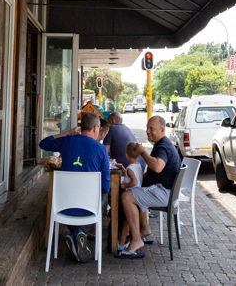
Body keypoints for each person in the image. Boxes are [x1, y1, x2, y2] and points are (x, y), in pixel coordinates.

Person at [38, 111, 111, 263]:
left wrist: (68, 133)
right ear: (96, 128)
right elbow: (105, 187)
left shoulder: (67, 141)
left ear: (80, 127)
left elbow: (43, 143)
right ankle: (80, 232)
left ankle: (74, 233)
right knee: (104, 199)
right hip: (89, 207)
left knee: (77, 204)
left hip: (63, 206)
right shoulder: (101, 149)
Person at [118, 115, 181, 259]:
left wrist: (143, 152)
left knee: (127, 197)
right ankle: (144, 230)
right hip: (166, 191)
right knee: (137, 192)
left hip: (164, 193)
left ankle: (136, 239)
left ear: (162, 130)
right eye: (147, 128)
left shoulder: (163, 146)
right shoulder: (164, 144)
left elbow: (158, 167)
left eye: (151, 129)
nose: (147, 131)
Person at [117, 141, 145, 252]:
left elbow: (134, 182)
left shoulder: (130, 169)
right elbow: (132, 175)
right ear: (138, 155)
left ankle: (121, 244)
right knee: (128, 222)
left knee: (126, 222)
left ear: (126, 154)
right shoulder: (137, 166)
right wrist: (122, 168)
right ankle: (125, 242)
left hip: (130, 197)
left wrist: (124, 185)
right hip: (138, 197)